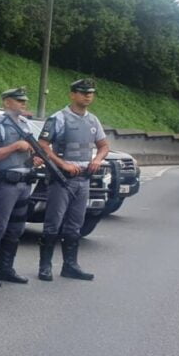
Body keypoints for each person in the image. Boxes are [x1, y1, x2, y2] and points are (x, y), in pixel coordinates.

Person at [37, 78, 109, 281]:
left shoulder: (93, 120)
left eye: (90, 93)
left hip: (84, 179)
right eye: (82, 92)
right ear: (72, 94)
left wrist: (97, 159)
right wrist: (62, 164)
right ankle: (45, 267)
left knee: (75, 224)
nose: (87, 95)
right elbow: (42, 145)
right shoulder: (58, 118)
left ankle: (70, 265)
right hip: (62, 179)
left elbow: (104, 145)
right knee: (53, 223)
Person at [0, 87, 36, 287]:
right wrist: (14, 146)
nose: (23, 103)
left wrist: (35, 160)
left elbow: (31, 152)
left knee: (16, 227)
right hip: (6, 183)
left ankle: (6, 268)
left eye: (24, 100)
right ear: (7, 102)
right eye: (19, 100)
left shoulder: (26, 125)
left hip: (24, 182)